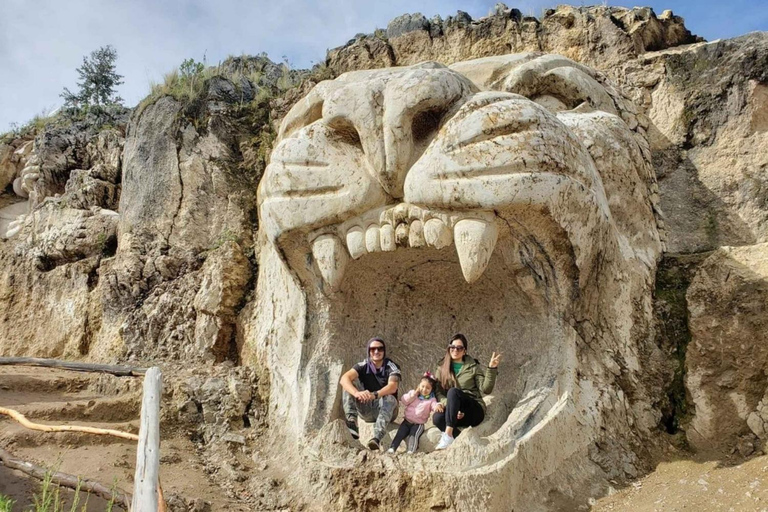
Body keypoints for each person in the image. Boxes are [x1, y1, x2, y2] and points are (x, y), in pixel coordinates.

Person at [433, 333, 502, 450]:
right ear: (449, 348)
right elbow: (438, 392)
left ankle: (448, 434)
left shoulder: (473, 366)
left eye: (459, 348)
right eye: (452, 347)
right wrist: (451, 407)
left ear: (464, 351)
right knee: (437, 418)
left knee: (453, 392)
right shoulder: (441, 368)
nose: (455, 350)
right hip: (454, 412)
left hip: (472, 408)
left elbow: (486, 389)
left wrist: (491, 369)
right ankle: (459, 440)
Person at [339, 337, 401, 450]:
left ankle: (376, 438)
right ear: (369, 351)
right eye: (373, 349)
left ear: (384, 351)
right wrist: (357, 393)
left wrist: (375, 395)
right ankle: (352, 422)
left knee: (390, 398)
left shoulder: (391, 366)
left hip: (387, 409)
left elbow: (393, 387)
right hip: (367, 409)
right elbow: (344, 379)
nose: (376, 352)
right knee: (349, 384)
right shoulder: (363, 365)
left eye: (380, 349)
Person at [387, 372, 439, 454]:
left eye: (428, 388)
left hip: (418, 424)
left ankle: (411, 450)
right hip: (406, 421)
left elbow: (434, 406)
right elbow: (404, 401)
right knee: (400, 434)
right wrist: (414, 394)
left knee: (413, 436)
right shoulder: (414, 394)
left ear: (432, 389)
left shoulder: (431, 400)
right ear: (419, 386)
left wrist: (437, 407)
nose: (424, 389)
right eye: (422, 386)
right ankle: (392, 448)